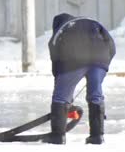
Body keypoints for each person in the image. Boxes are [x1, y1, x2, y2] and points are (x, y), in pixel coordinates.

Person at [46, 13, 116, 145]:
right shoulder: (91, 22)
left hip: (73, 60)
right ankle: (97, 136)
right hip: (100, 58)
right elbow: (111, 46)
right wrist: (102, 66)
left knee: (60, 98)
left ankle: (57, 136)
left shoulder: (62, 29)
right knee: (96, 96)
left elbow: (56, 58)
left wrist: (63, 91)